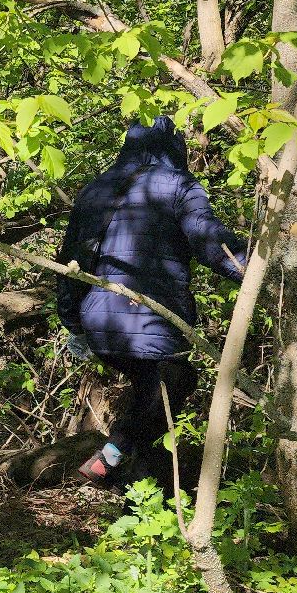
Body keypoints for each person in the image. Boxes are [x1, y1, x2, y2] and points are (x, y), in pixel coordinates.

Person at [56, 115, 247, 495]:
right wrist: (256, 273)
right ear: (174, 147)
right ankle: (134, 493)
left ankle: (114, 462)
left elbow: (71, 258)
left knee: (156, 391)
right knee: (167, 388)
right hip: (151, 318)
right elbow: (210, 242)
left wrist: (72, 321)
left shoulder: (96, 188)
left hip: (99, 321)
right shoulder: (178, 185)